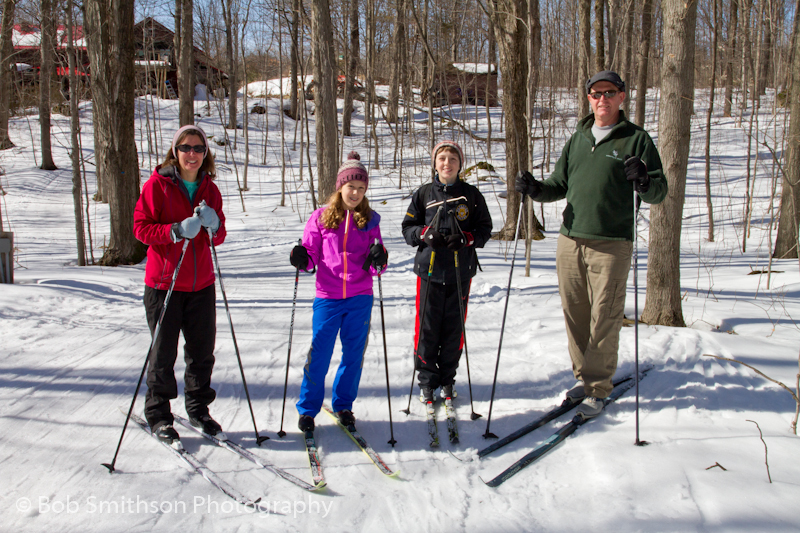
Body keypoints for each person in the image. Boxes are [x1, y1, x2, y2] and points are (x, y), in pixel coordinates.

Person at [516, 70, 668, 419]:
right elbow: (559, 183)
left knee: (605, 317)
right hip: (570, 239)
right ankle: (583, 380)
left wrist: (644, 179)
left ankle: (598, 388)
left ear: (621, 97)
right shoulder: (579, 138)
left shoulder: (636, 139)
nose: (602, 99)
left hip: (612, 242)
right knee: (576, 315)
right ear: (588, 98)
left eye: (609, 92)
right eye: (596, 93)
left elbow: (659, 191)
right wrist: (537, 189)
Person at [133, 125, 226, 445]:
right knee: (162, 354)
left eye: (198, 148)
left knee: (202, 353)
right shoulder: (157, 185)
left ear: (205, 154)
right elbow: (140, 229)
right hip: (164, 284)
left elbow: (221, 234)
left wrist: (214, 225)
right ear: (175, 151)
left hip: (202, 285)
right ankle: (159, 414)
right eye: (186, 147)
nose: (192, 154)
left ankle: (199, 409)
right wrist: (173, 230)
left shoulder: (210, 190)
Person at [290, 152, 388, 432]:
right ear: (340, 187)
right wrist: (301, 258)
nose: (355, 192)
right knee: (319, 354)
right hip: (328, 297)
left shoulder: (370, 220)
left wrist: (379, 259)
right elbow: (310, 256)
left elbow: (377, 266)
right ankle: (308, 409)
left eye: (360, 188)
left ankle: (344, 405)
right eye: (350, 186)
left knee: (353, 355)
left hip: (359, 297)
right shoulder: (320, 218)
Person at [401, 140, 492, 405]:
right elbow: (408, 227)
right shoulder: (424, 193)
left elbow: (485, 228)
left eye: (452, 159)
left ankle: (448, 379)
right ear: (435, 164)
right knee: (427, 327)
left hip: (460, 272)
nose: (447, 163)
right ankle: (427, 381)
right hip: (429, 271)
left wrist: (468, 239)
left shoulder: (471, 195)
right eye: (442, 158)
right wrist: (422, 235)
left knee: (454, 328)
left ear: (459, 164)